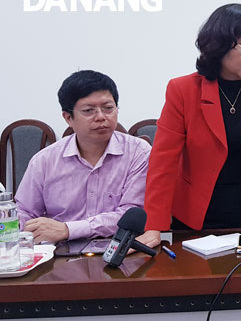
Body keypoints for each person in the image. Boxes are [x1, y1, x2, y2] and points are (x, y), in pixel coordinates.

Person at [138, 3, 241, 249]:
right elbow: (163, 162)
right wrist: (154, 226)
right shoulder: (183, 90)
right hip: (197, 215)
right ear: (219, 43)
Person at [15, 70, 151, 244]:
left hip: (118, 249)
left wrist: (67, 229)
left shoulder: (138, 152)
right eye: (88, 110)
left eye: (108, 108)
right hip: (57, 253)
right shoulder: (44, 160)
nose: (101, 117)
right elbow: (24, 212)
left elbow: (132, 213)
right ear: (68, 118)